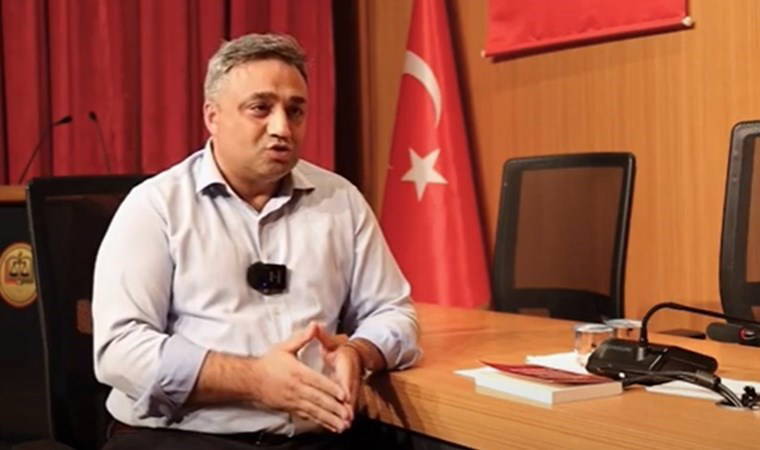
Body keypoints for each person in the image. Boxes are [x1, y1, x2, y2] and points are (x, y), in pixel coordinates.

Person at [92, 33, 421, 450]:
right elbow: (120, 351)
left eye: (295, 111)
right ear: (212, 116)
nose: (282, 129)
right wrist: (253, 381)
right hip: (184, 438)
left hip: (318, 438)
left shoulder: (341, 200)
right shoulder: (156, 206)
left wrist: (360, 351)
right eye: (260, 108)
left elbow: (394, 313)